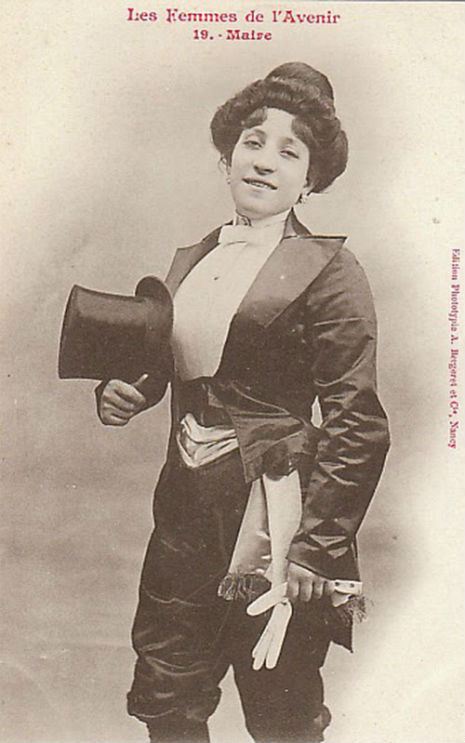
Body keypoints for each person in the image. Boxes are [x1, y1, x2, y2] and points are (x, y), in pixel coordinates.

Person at [96, 62, 390, 743]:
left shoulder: (330, 270)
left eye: (290, 152)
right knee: (167, 695)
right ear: (226, 156)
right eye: (253, 142)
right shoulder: (194, 258)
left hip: (275, 520)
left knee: (280, 707)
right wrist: (131, 391)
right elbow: (186, 360)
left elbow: (356, 421)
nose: (263, 161)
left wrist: (318, 546)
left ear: (310, 180)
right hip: (185, 513)